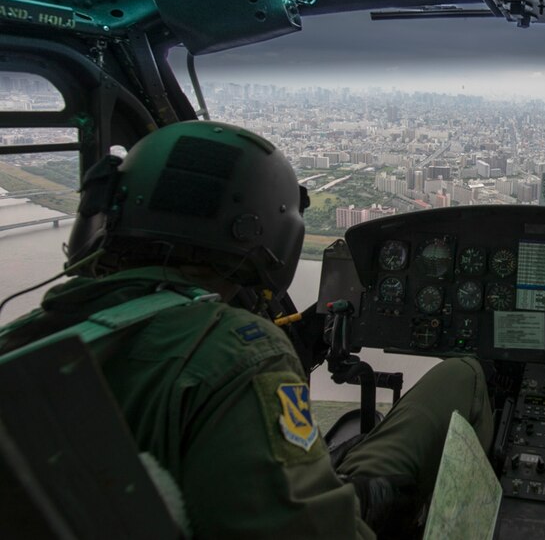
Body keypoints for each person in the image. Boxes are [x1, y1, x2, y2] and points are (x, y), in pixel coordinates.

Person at [0, 120, 493, 539]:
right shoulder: (242, 353)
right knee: (463, 372)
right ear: (276, 239)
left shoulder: (26, 340)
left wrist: (302, 337)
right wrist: (370, 499)